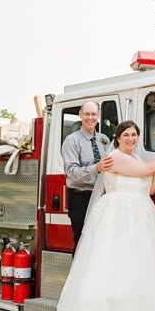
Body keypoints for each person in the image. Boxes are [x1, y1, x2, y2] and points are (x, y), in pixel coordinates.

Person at [56, 120, 155, 311]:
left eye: (134, 135)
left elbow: (150, 188)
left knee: (139, 266)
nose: (131, 138)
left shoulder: (136, 159)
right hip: (119, 214)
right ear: (118, 138)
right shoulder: (115, 158)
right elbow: (149, 169)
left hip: (140, 215)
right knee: (116, 263)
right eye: (127, 135)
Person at [60, 101, 114, 251]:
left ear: (99, 115)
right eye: (87, 114)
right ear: (80, 114)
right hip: (81, 197)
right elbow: (71, 172)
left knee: (100, 241)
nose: (90, 118)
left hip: (102, 197)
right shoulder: (71, 141)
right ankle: (78, 274)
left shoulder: (104, 139)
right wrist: (96, 168)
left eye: (93, 114)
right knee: (82, 242)